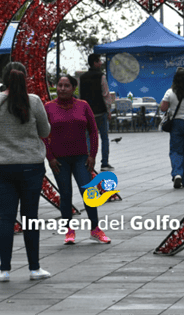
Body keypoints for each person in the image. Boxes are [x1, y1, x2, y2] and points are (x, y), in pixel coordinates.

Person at [0, 62, 52, 282]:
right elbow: (45, 130)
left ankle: (4, 270)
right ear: (25, 77)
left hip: (3, 166)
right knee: (31, 218)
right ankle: (34, 268)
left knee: (6, 218)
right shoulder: (34, 101)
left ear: (3, 78)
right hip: (31, 166)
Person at [44, 74, 112, 245]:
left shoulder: (83, 106)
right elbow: (43, 134)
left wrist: (92, 155)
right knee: (65, 194)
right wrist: (50, 157)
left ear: (73, 88)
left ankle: (95, 229)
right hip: (59, 160)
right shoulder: (48, 107)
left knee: (88, 193)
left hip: (81, 158)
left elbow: (93, 131)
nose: (62, 89)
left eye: (66, 85)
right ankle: (69, 230)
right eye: (59, 85)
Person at [79, 53, 113, 171]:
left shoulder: (82, 78)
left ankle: (88, 161)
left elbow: (80, 97)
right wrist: (109, 110)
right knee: (104, 137)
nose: (101, 63)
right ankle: (104, 163)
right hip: (101, 112)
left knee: (88, 137)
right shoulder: (101, 76)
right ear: (95, 63)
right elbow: (106, 94)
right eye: (99, 61)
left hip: (87, 113)